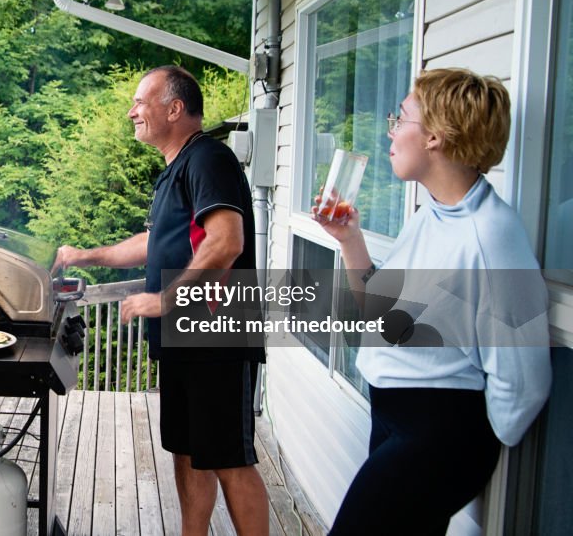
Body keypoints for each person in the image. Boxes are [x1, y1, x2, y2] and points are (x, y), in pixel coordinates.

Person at [316, 68, 552, 535]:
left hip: (437, 433)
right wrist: (349, 241)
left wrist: (467, 439)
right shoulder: (432, 216)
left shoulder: (491, 234)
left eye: (399, 119)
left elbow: (526, 382)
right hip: (395, 418)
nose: (390, 131)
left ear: (436, 138)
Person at [54, 65, 269, 536]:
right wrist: (84, 255)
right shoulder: (175, 171)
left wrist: (166, 299)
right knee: (189, 451)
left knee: (231, 458)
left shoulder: (208, 159)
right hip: (185, 340)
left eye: (139, 102)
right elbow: (155, 243)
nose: (131, 111)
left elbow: (226, 241)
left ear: (174, 109)